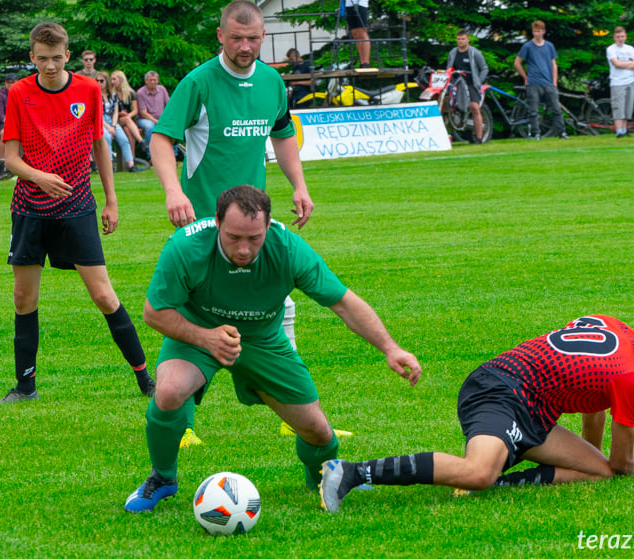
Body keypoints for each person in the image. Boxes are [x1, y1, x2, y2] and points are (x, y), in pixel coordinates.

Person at [123, 185, 421, 513]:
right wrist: (205, 338)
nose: (244, 249)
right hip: (198, 333)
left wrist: (390, 348)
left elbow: (343, 303)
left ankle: (327, 474)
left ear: (267, 226)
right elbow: (154, 312)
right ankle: (162, 478)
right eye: (234, 237)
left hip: (263, 338)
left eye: (254, 238)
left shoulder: (288, 248)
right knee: (168, 391)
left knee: (318, 431)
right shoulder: (186, 246)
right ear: (217, 222)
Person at [319, 315, 634, 513]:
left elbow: (597, 407)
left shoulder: (623, 335)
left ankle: (497, 484)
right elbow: (622, 465)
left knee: (595, 472)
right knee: (478, 471)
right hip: (502, 389)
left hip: (532, 404)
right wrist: (632, 471)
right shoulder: (632, 378)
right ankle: (351, 473)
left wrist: (593, 457)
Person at [150, 0, 316, 446]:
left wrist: (299, 186)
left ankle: (292, 412)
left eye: (254, 38)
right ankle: (178, 421)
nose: (246, 47)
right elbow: (162, 137)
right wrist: (173, 191)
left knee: (279, 306)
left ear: (263, 37)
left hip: (252, 224)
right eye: (237, 38)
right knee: (193, 316)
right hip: (204, 224)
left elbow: (281, 135)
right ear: (220, 36)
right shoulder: (199, 82)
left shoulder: (271, 82)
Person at [0, 22, 154, 403]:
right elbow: (8, 157)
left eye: (55, 58)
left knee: (103, 295)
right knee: (23, 298)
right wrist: (40, 178)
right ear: (31, 57)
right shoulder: (19, 93)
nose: (49, 66)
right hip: (30, 209)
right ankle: (25, 388)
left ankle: (146, 381)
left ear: (67, 56)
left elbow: (100, 144)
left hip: (78, 205)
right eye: (41, 59)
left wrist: (111, 200)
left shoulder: (87, 90)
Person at [513, 20, 567, 140]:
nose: (536, 34)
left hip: (548, 82)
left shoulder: (549, 46)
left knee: (556, 109)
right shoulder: (527, 46)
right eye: (534, 31)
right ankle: (536, 133)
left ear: (543, 32)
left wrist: (554, 81)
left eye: (539, 31)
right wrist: (525, 77)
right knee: (533, 110)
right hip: (533, 82)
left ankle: (562, 132)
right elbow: (517, 63)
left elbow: (554, 64)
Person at [446, 29, 489, 144]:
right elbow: (449, 69)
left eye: (463, 39)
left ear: (468, 39)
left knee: (474, 107)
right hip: (456, 83)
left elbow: (484, 68)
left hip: (471, 83)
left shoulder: (474, 53)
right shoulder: (453, 53)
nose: (460, 41)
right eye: (458, 39)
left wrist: (478, 82)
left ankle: (479, 138)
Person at [97, 71, 141, 172]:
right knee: (107, 138)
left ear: (106, 81)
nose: (99, 83)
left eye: (101, 81)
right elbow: (96, 115)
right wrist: (108, 127)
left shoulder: (113, 95)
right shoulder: (95, 95)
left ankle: (131, 165)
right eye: (97, 80)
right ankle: (110, 165)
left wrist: (113, 125)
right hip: (101, 121)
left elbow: (115, 112)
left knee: (124, 139)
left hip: (112, 120)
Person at [606, 26, 634, 138]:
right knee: (618, 106)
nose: (621, 38)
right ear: (614, 37)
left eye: (623, 36)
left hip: (630, 80)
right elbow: (617, 64)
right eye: (618, 36)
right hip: (617, 82)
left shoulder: (630, 49)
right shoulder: (611, 49)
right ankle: (619, 130)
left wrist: (624, 64)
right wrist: (629, 64)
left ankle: (625, 129)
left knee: (627, 107)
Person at [110, 70, 148, 156]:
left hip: (127, 120)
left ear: (121, 79)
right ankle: (141, 140)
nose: (112, 81)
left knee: (129, 132)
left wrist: (128, 115)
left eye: (114, 79)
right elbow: (110, 111)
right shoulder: (111, 94)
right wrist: (120, 114)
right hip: (116, 120)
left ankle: (132, 158)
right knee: (126, 120)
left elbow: (135, 110)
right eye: (111, 79)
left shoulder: (130, 93)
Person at [337, 0, 371, 68]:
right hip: (349, 4)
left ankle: (366, 62)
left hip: (360, 2)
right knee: (355, 33)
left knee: (362, 32)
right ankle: (362, 61)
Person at [135, 70, 169, 155]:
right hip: (144, 119)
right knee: (150, 126)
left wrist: (166, 119)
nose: (153, 82)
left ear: (157, 80)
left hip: (160, 118)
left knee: (170, 125)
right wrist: (156, 121)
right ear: (146, 81)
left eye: (155, 80)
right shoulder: (140, 92)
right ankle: (151, 155)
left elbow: (168, 106)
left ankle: (172, 154)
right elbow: (143, 113)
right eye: (150, 80)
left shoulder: (162, 89)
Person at [0, 73, 18, 178]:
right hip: (4, 124)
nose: (10, 84)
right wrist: (10, 123)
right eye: (8, 82)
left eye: (13, 82)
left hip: (19, 124)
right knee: (4, 133)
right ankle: (2, 164)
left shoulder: (20, 94)